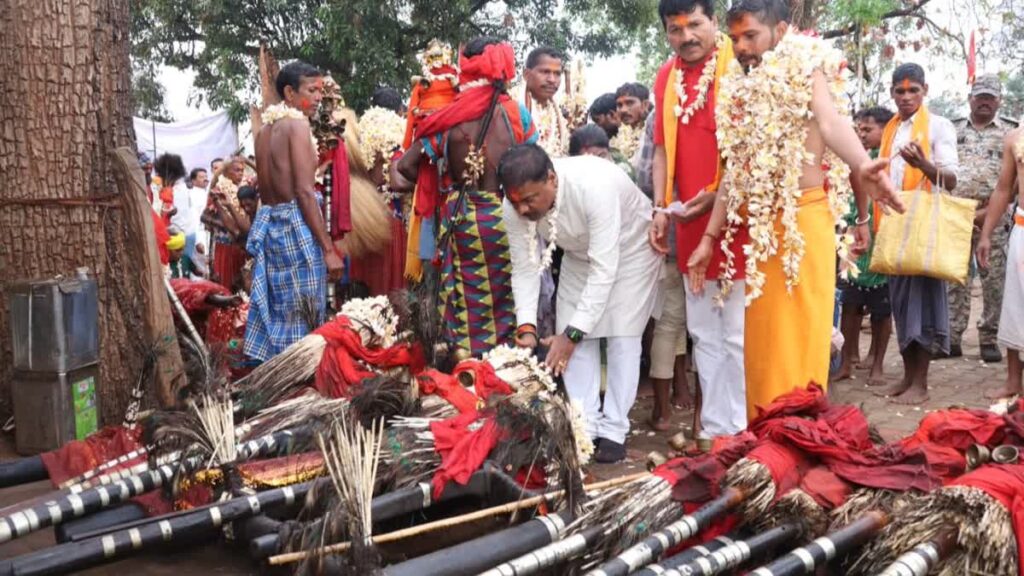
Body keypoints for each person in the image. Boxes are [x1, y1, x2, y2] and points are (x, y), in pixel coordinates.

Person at [689, 0, 902, 417]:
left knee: (800, 342)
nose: (742, 46)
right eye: (735, 39)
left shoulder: (808, 65)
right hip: (761, 233)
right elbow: (735, 172)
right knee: (763, 347)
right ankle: (766, 438)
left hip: (805, 224)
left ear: (781, 31)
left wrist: (862, 170)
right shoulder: (738, 85)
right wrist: (709, 238)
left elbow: (830, 123)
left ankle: (798, 436)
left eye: (751, 35)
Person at [500, 144, 662, 463]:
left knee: (621, 337)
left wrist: (571, 336)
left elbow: (605, 269)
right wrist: (527, 328)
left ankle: (614, 430)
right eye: (516, 202)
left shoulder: (592, 186)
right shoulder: (514, 203)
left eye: (530, 200)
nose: (522, 211)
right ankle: (583, 427)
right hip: (578, 257)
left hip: (631, 252)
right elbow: (525, 267)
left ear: (551, 179)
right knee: (570, 341)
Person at [395, 36, 539, 358]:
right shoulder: (517, 115)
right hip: (511, 214)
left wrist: (438, 176)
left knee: (469, 300)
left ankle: (472, 368)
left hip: (464, 219)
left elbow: (405, 166)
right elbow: (537, 160)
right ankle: (512, 363)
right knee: (514, 292)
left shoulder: (449, 119)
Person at [648, 0, 743, 441]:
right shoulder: (665, 78)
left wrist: (711, 200)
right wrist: (660, 207)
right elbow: (663, 151)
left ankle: (742, 429)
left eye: (695, 25)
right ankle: (717, 429)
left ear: (714, 23)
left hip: (740, 220)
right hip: (687, 221)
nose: (686, 37)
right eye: (675, 28)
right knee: (703, 332)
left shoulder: (738, 67)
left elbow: (743, 155)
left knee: (739, 336)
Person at [870, 63, 960, 405]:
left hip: (922, 228)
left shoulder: (938, 126)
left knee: (921, 305)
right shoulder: (891, 129)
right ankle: (907, 378)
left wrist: (923, 165)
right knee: (901, 305)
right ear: (892, 92)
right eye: (900, 91)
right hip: (893, 224)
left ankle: (920, 383)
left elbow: (951, 180)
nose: (906, 97)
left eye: (913, 91)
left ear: (925, 91)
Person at [244, 61, 343, 363]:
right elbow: (302, 191)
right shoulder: (297, 126)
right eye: (311, 90)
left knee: (280, 312)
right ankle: (301, 375)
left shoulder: (262, 134)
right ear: (289, 92)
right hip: (297, 227)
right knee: (305, 313)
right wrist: (328, 249)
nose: (317, 98)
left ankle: (279, 372)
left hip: (272, 227)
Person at [950, 75, 1019, 362]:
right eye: (980, 96)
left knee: (994, 279)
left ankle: (989, 338)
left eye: (990, 97)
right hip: (956, 215)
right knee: (954, 278)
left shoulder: (1011, 132)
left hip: (995, 215)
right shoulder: (952, 129)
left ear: (999, 101)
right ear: (970, 99)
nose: (985, 101)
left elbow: (1013, 181)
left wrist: (989, 212)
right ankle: (951, 337)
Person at [835, 106, 895, 386]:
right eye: (858, 129)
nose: (861, 134)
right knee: (850, 303)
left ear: (885, 129)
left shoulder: (890, 161)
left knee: (882, 308)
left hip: (884, 241)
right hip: (854, 239)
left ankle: (878, 365)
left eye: (868, 129)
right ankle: (847, 360)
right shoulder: (853, 160)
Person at [977, 123, 1024, 399]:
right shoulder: (1015, 138)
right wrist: (986, 235)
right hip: (1022, 228)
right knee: (1016, 304)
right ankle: (1012, 382)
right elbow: (1003, 189)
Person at [522, 46, 568, 157]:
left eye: (557, 74)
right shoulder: (512, 108)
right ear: (526, 75)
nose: (552, 80)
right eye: (545, 72)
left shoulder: (559, 115)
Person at [611, 82, 652, 162]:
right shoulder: (617, 139)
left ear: (645, 105)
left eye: (629, 103)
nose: (623, 110)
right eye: (619, 105)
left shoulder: (653, 133)